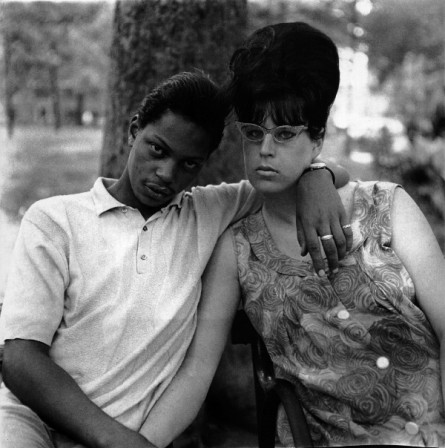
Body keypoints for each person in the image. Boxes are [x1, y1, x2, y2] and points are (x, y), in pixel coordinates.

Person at [0, 71, 351, 448]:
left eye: (189, 164)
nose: (166, 174)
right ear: (134, 129)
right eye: (157, 150)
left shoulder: (208, 210)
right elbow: (19, 357)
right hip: (32, 423)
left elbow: (298, 176)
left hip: (130, 434)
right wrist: (118, 442)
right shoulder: (55, 220)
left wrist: (319, 174)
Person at [169, 22, 445, 447]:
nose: (265, 150)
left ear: (317, 138)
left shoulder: (386, 207)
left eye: (284, 134)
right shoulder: (238, 249)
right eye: (253, 133)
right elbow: (196, 371)